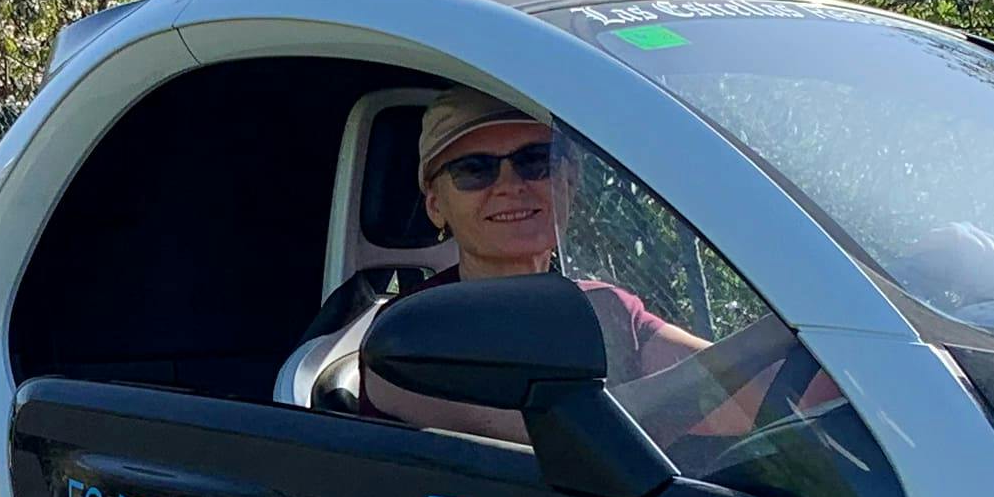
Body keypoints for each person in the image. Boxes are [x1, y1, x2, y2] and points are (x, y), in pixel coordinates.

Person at [295, 88, 709, 442]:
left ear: (568, 183)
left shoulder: (606, 308)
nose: (511, 185)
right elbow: (566, 441)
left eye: (536, 161)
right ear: (436, 206)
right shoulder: (411, 333)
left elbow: (728, 394)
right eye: (474, 170)